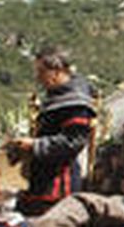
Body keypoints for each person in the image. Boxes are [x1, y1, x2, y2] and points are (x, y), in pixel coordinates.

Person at [10, 47, 96, 216]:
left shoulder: (75, 103)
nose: (38, 77)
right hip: (40, 183)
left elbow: (74, 141)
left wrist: (35, 145)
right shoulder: (54, 99)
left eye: (41, 71)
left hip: (58, 187)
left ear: (56, 71)